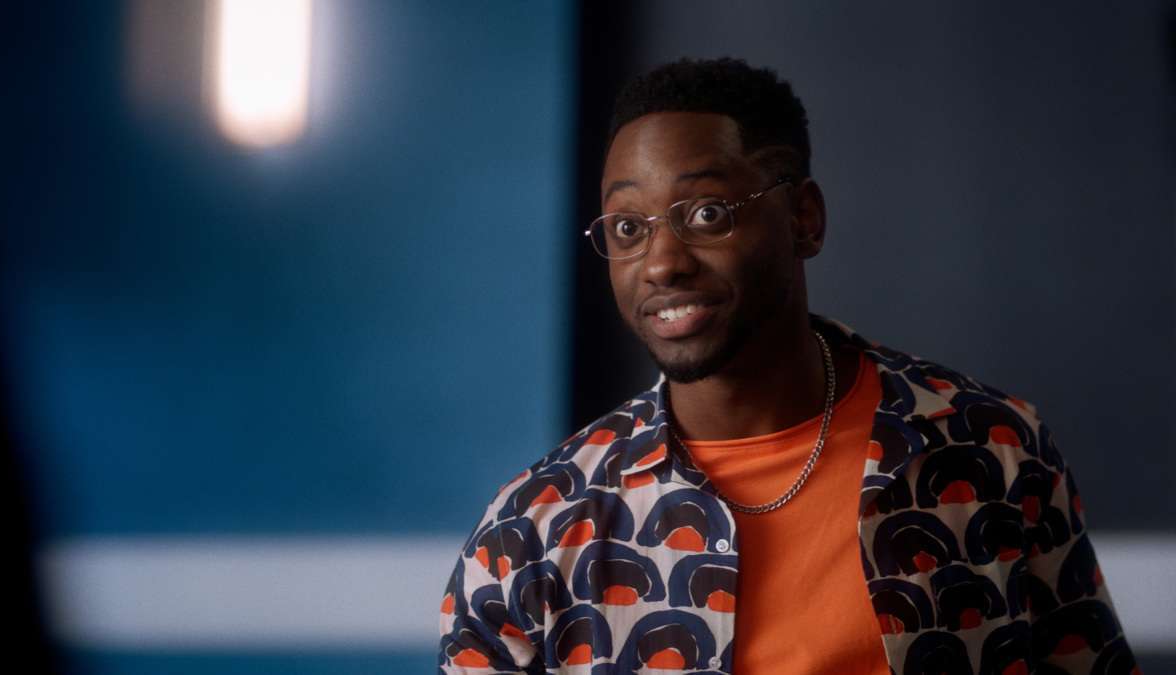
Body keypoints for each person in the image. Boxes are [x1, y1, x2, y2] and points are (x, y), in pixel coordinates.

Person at [437, 57, 1137, 674]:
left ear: (804, 218)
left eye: (707, 213)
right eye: (628, 227)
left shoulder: (991, 449)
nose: (661, 263)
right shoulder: (533, 530)